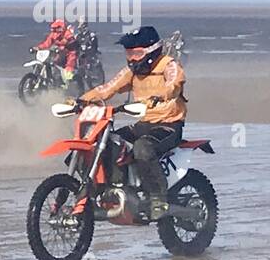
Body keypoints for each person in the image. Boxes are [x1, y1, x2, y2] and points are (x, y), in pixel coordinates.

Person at [76, 26, 186, 220]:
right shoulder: (132, 72)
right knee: (109, 140)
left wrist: (161, 95)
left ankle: (158, 198)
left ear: (152, 50)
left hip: (168, 125)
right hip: (143, 123)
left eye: (137, 53)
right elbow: (107, 88)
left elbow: (175, 84)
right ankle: (115, 187)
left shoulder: (169, 65)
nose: (132, 58)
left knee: (142, 148)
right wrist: (82, 100)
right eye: (129, 53)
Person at [34, 19, 78, 83]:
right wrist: (38, 47)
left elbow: (72, 40)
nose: (54, 30)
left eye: (56, 28)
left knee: (69, 68)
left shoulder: (67, 33)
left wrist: (66, 43)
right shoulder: (53, 35)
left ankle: (69, 83)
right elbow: (47, 43)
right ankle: (53, 79)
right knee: (53, 63)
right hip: (59, 52)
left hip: (70, 52)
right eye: (53, 28)